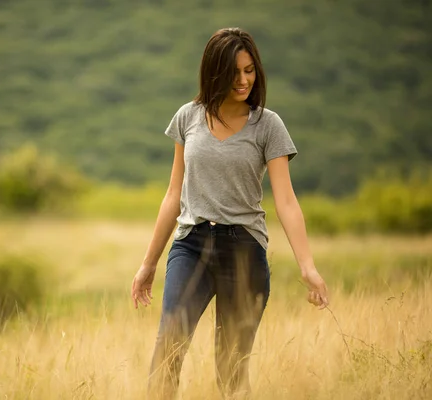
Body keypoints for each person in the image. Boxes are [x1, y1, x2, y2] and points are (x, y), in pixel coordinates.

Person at [130, 27, 330, 399]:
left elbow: (286, 201)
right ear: (214, 71)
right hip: (191, 245)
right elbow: (173, 194)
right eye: (235, 71)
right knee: (167, 352)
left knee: (231, 368)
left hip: (244, 249)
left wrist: (308, 267)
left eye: (250, 70)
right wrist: (148, 263)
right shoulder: (188, 117)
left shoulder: (268, 124)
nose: (243, 80)